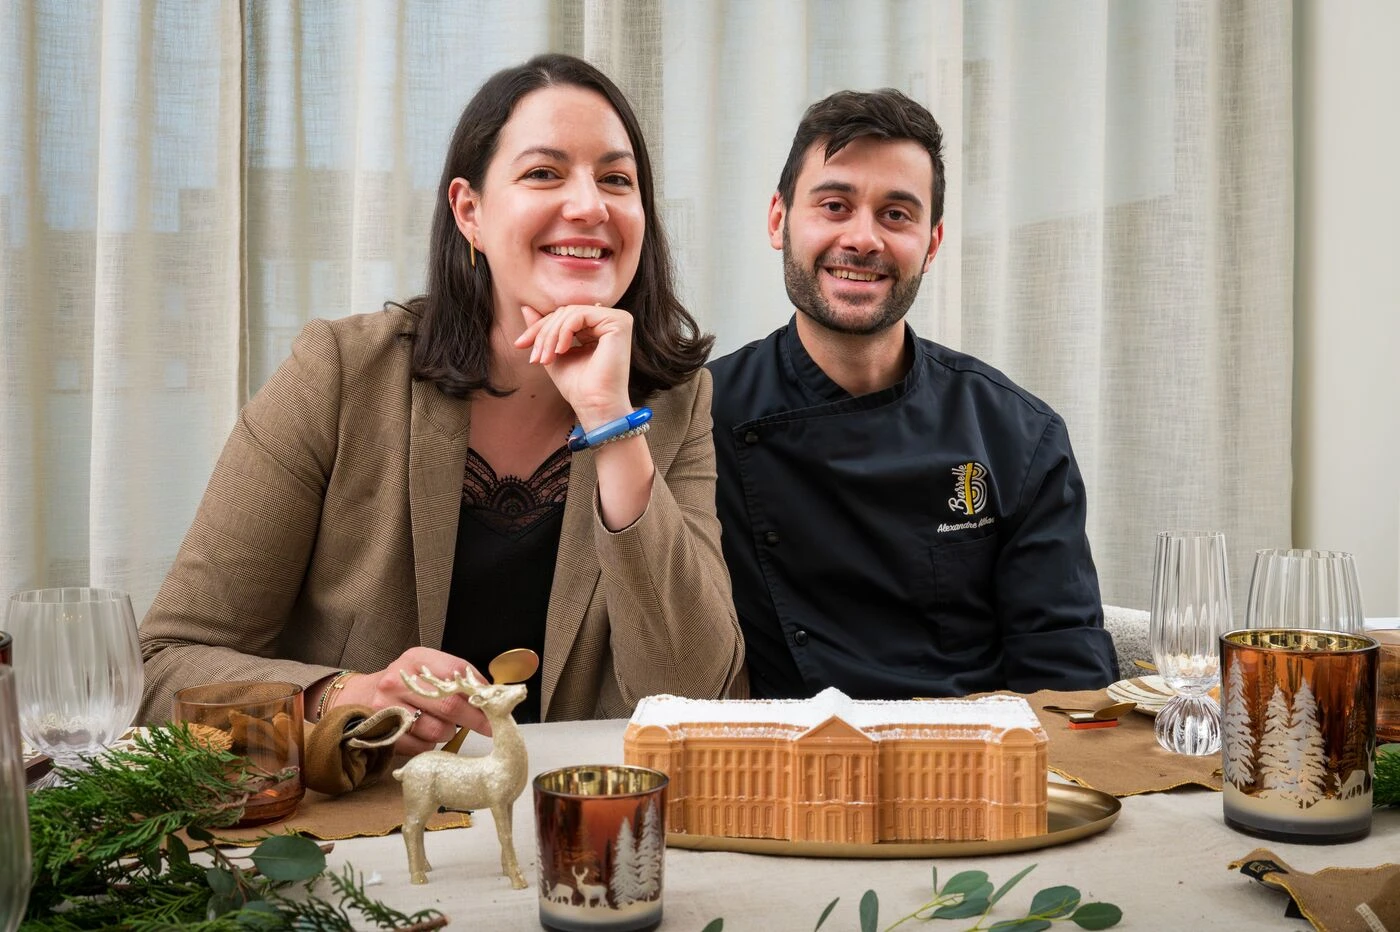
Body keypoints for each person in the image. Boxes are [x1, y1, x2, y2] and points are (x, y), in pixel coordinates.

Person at [140, 54, 745, 752]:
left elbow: (699, 700)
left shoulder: (671, 403)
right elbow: (166, 666)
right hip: (366, 834)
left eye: (616, 179)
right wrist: (348, 695)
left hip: (569, 823)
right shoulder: (340, 373)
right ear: (470, 212)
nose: (589, 205)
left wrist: (611, 421)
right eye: (543, 173)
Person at [708, 88, 1117, 700]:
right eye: (835, 205)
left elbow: (1067, 678)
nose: (863, 239)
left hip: (970, 774)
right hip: (784, 773)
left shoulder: (1019, 435)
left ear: (931, 243)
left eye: (896, 214)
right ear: (778, 220)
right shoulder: (700, 417)